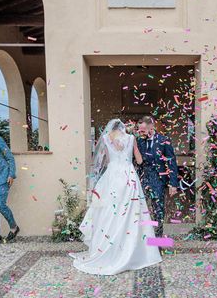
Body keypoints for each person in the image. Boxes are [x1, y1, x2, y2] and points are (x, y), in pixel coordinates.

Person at [69, 119, 162, 275]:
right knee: (133, 212)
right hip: (128, 178)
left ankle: (109, 247)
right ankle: (136, 251)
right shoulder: (131, 138)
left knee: (110, 213)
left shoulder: (106, 138)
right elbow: (139, 160)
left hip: (112, 178)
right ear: (124, 128)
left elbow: (103, 160)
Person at [136, 116, 178, 238]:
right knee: (142, 209)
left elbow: (171, 162)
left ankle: (158, 242)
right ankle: (143, 241)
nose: (140, 133)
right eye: (139, 130)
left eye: (143, 130)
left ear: (152, 128)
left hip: (158, 180)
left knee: (158, 210)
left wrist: (173, 184)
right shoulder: (138, 141)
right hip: (143, 179)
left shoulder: (164, 140)